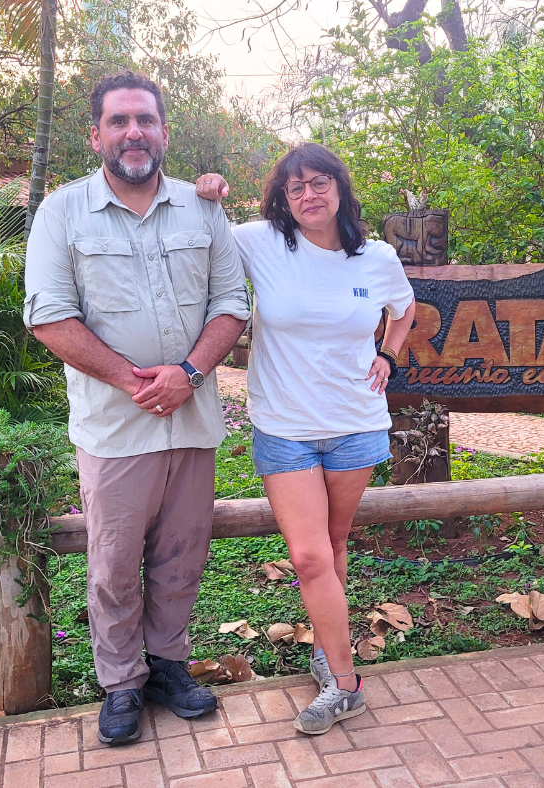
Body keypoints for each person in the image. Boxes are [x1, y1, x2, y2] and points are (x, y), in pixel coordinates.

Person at [23, 72, 250, 746]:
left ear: (163, 133)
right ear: (95, 135)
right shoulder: (61, 213)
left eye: (144, 120)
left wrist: (188, 373)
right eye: (118, 121)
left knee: (183, 555)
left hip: (193, 421)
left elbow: (232, 304)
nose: (133, 133)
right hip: (115, 429)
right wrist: (134, 381)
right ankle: (121, 682)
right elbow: (48, 318)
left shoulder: (203, 210)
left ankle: (168, 666)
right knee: (115, 564)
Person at [196, 143, 416, 734]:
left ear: (340, 189)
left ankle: (328, 650)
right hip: (285, 428)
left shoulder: (377, 257)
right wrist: (210, 188)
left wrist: (388, 355)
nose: (308, 195)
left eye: (319, 183)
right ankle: (346, 684)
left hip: (356, 424)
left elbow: (406, 307)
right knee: (309, 555)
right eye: (295, 189)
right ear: (282, 199)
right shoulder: (262, 243)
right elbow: (203, 224)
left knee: (335, 542)